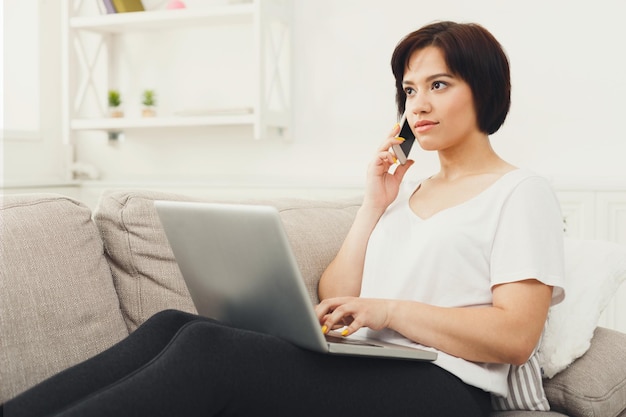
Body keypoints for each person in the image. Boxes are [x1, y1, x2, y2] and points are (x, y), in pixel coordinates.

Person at [2, 21, 564, 417]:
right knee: (177, 324)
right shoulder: (405, 188)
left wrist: (389, 309)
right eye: (410, 89)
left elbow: (515, 337)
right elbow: (337, 295)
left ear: (484, 89)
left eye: (439, 85)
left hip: (447, 388)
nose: (417, 105)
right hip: (370, 362)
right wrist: (373, 204)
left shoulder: (519, 192)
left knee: (210, 354)